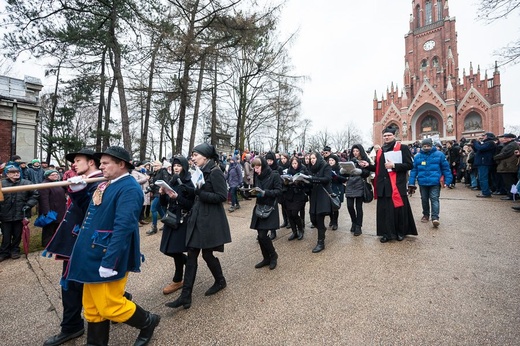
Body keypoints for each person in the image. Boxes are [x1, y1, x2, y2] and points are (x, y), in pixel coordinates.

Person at [66, 146, 160, 346]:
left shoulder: (129, 188)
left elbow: (123, 228)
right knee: (91, 307)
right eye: (101, 163)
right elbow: (89, 210)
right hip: (91, 252)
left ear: (121, 164)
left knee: (109, 305)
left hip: (107, 254)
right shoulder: (105, 183)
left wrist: (110, 261)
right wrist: (78, 191)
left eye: (106, 163)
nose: (101, 166)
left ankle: (148, 321)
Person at [43, 149, 106, 346]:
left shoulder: (100, 183)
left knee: (81, 285)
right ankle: (73, 325)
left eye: (78, 160)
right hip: (74, 240)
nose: (74, 164)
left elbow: (94, 212)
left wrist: (79, 193)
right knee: (74, 285)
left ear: (92, 163)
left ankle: (74, 325)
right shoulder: (84, 180)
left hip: (86, 242)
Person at [165, 143, 232, 310]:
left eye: (195, 155)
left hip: (209, 220)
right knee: (193, 255)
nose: (192, 158)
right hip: (197, 218)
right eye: (192, 155)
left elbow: (222, 196)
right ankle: (185, 297)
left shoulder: (215, 172)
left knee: (207, 255)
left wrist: (200, 193)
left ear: (206, 157)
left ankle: (220, 280)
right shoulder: (199, 172)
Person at [359, 127, 417, 243]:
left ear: (394, 136)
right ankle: (386, 233)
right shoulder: (380, 151)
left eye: (389, 135)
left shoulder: (403, 148)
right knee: (384, 211)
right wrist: (368, 165)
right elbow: (377, 168)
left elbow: (410, 165)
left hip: (396, 184)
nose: (386, 137)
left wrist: (394, 165)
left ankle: (401, 232)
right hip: (383, 185)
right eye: (385, 136)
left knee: (398, 210)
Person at [159, 155, 195, 295]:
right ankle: (188, 264)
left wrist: (177, 198)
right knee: (168, 249)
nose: (176, 168)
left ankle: (178, 279)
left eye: (179, 165)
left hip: (182, 219)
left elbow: (191, 204)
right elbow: (163, 204)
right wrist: (162, 194)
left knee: (175, 250)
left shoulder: (189, 182)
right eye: (174, 165)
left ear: (184, 167)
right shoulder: (171, 181)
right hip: (171, 218)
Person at [408, 138, 452, 228]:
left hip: (435, 182)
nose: (426, 147)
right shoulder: (417, 156)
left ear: (431, 145)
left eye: (428, 146)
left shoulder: (440, 155)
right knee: (424, 199)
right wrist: (411, 183)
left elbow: (446, 169)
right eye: (424, 146)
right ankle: (426, 214)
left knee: (434, 199)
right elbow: (414, 170)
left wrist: (448, 180)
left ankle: (435, 217)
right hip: (422, 182)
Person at [0, 165, 39, 262]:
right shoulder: (1, 184)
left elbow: (35, 194)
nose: (16, 173)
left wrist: (29, 205)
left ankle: (15, 251)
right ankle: (4, 252)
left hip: (20, 213)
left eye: (17, 171)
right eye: (13, 172)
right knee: (6, 235)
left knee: (17, 234)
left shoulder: (26, 183)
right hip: (5, 214)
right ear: (7, 174)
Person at [249, 156, 282, 269]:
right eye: (254, 168)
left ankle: (273, 256)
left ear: (263, 166)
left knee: (263, 235)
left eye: (258, 167)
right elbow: (256, 189)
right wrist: (249, 193)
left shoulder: (274, 175)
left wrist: (265, 193)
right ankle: (266, 258)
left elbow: (278, 191)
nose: (256, 170)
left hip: (269, 208)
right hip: (259, 207)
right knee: (260, 235)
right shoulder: (257, 175)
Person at [307, 151, 333, 253]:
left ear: (318, 158)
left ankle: (320, 242)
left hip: (323, 195)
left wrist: (313, 179)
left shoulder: (325, 166)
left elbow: (327, 179)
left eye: (314, 158)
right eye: (311, 158)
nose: (312, 160)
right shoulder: (310, 167)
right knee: (313, 218)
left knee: (319, 218)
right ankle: (322, 229)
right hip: (314, 195)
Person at [344, 144, 372, 236]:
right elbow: (346, 173)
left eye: (357, 151)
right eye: (354, 151)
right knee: (349, 206)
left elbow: (367, 173)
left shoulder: (365, 160)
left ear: (360, 151)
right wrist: (344, 171)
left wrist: (360, 170)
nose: (355, 153)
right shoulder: (350, 160)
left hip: (360, 184)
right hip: (350, 184)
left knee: (358, 207)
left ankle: (358, 226)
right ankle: (354, 221)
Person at [282, 156, 309, 240]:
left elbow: (307, 182)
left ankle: (300, 230)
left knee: (294, 213)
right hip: (290, 194)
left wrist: (299, 182)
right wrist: (286, 182)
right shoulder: (289, 170)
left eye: (295, 163)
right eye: (293, 163)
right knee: (289, 214)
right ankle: (294, 232)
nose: (294, 165)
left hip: (299, 195)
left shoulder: (303, 170)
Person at [38, 169, 67, 247]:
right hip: (50, 210)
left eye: (56, 174)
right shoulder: (45, 185)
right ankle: (47, 244)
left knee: (57, 227)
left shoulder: (58, 183)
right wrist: (46, 212)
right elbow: (44, 199)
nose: (55, 176)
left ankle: (56, 242)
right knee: (49, 228)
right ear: (47, 176)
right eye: (53, 175)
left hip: (59, 209)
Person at [493, 133, 519, 200]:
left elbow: (505, 154)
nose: (504, 139)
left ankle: (512, 195)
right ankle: (511, 194)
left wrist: (495, 157)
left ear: (511, 138)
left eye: (506, 138)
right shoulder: (508, 144)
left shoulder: (512, 145)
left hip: (508, 166)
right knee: (508, 182)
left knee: (509, 182)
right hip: (506, 166)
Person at [147, 160, 171, 235]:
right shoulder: (156, 173)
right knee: (158, 208)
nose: (154, 167)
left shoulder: (163, 171)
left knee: (153, 208)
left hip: (160, 193)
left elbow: (166, 182)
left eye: (156, 166)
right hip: (156, 193)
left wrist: (161, 189)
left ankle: (154, 227)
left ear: (160, 165)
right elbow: (155, 183)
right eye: (154, 166)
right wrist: (152, 187)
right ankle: (167, 223)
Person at [472, 132, 497, 198]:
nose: (483, 137)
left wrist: (476, 142)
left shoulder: (490, 143)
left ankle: (485, 193)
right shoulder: (487, 143)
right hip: (484, 162)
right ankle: (486, 191)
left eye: (484, 136)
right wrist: (475, 144)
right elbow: (477, 149)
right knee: (485, 178)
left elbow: (480, 148)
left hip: (484, 162)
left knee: (483, 178)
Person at [328, 154, 347, 230]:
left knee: (335, 206)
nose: (330, 162)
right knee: (329, 206)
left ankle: (335, 222)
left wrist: (335, 176)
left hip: (337, 188)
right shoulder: (327, 168)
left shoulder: (339, 169)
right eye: (329, 160)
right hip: (329, 188)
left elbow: (344, 179)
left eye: (332, 160)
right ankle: (331, 220)